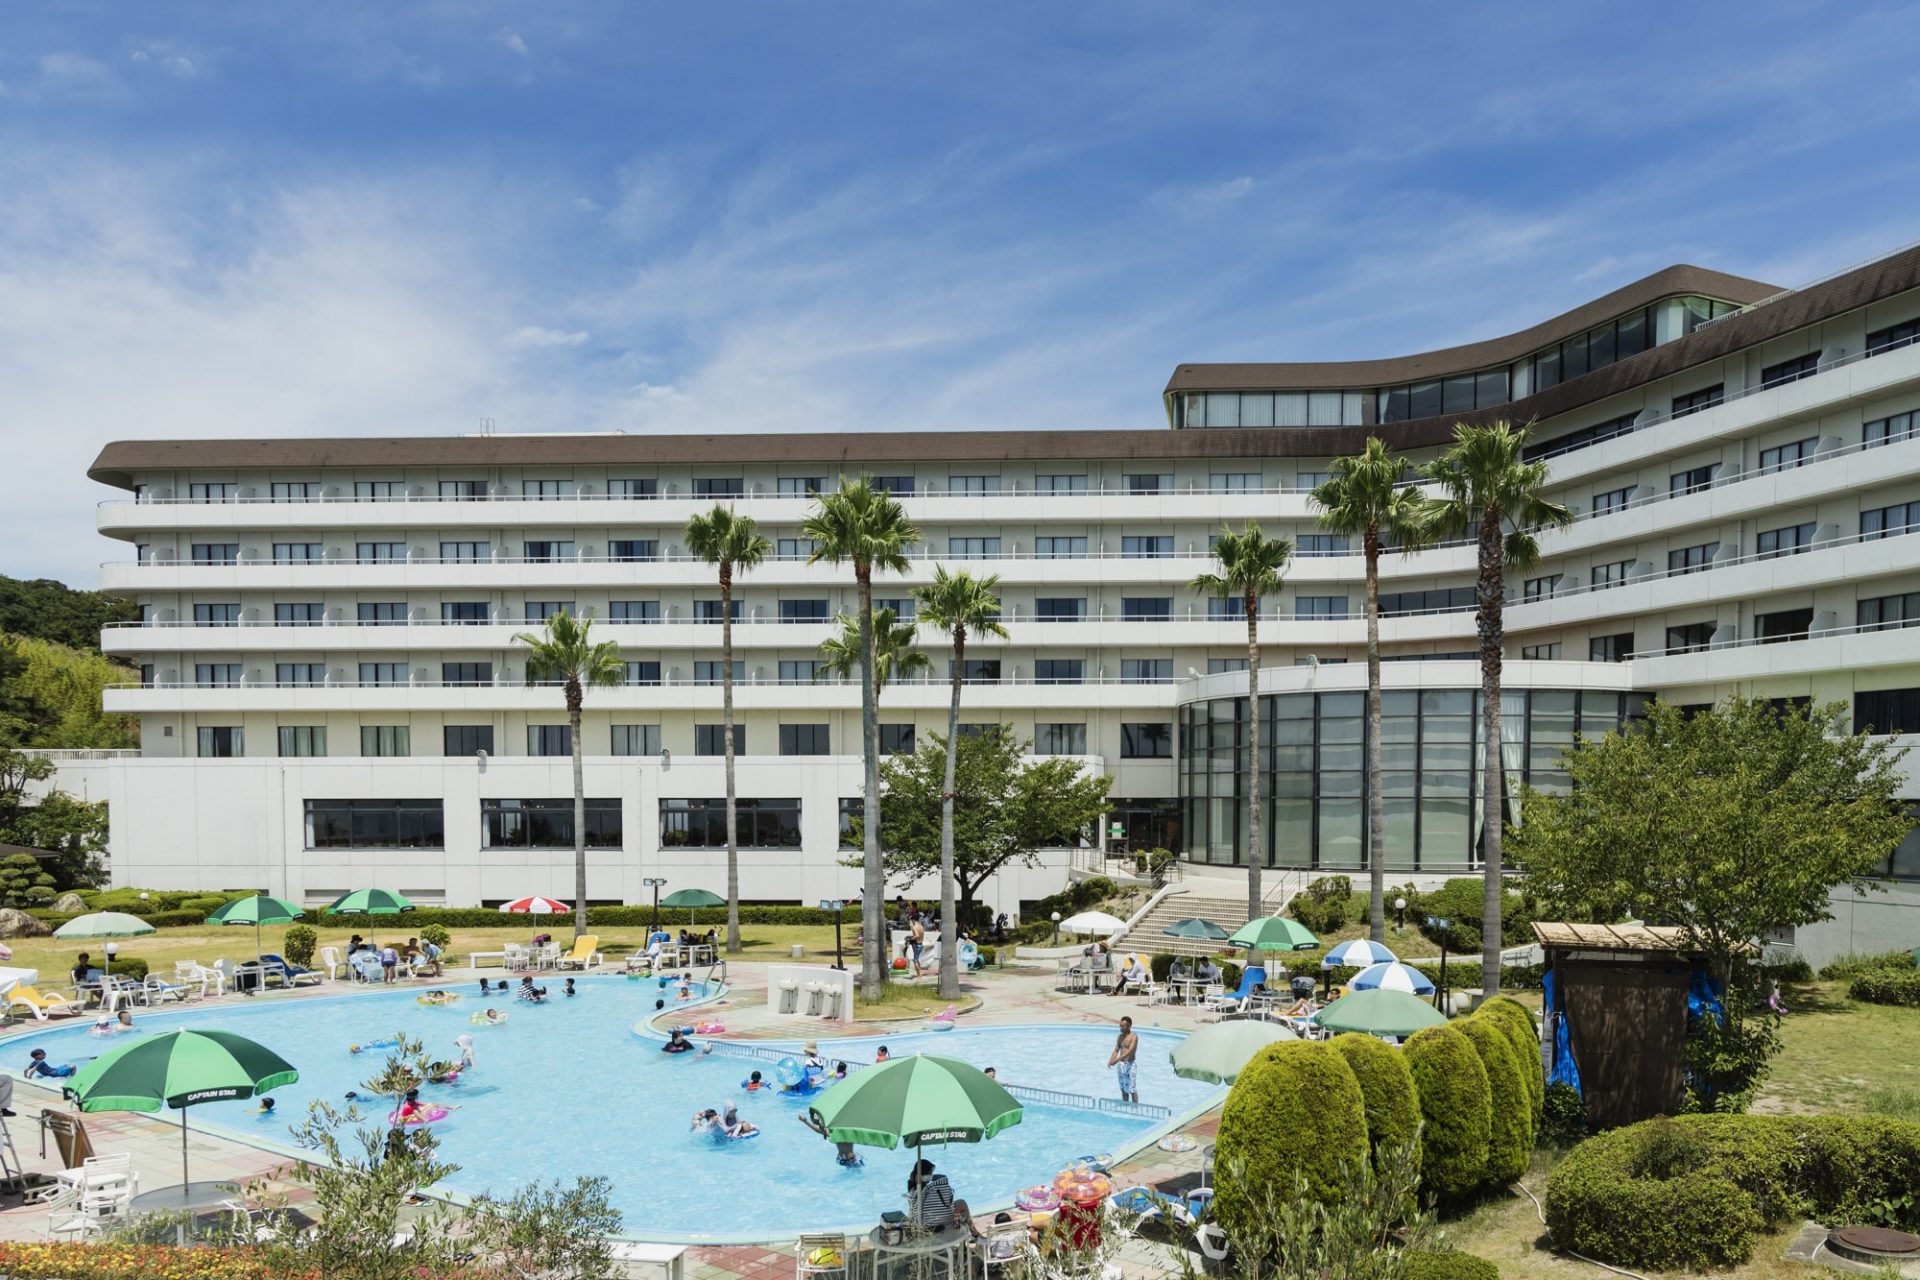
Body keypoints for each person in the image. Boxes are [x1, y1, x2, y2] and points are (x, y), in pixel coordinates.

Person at [907, 1159, 967, 1232]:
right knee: (962, 1204)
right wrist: (927, 1178)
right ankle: (974, 1234)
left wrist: (922, 1178)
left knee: (961, 1203)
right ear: (924, 1174)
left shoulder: (912, 1188)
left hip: (927, 1219)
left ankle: (975, 1234)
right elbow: (943, 1177)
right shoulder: (920, 1191)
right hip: (938, 1219)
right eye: (930, 1173)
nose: (932, 1174)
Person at [798, 1112, 862, 1167]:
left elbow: (818, 1130)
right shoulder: (838, 1131)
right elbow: (818, 1130)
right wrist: (805, 1121)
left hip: (848, 1159)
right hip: (845, 1159)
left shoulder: (844, 1131)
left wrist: (805, 1121)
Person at [1108, 1016, 1140, 1104]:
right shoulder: (1120, 1037)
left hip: (1130, 1064)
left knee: (1132, 1088)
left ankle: (1135, 1108)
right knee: (1123, 1088)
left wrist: (1117, 1060)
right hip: (1121, 1065)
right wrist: (1111, 1060)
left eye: (1122, 1026)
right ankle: (1125, 1106)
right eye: (1120, 1026)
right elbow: (1116, 1050)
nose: (1120, 1028)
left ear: (1129, 1026)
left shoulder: (1134, 1037)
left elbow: (1130, 1051)